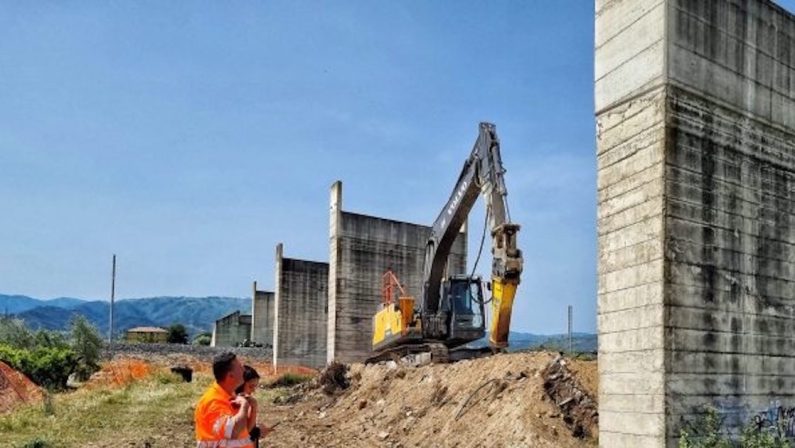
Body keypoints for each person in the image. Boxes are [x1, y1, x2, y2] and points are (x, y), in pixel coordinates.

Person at [194, 352, 255, 447]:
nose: (244, 369)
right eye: (239, 367)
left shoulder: (230, 396)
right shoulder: (213, 402)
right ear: (230, 376)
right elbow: (234, 431)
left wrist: (253, 407)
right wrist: (244, 406)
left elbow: (244, 428)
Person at [235, 365, 271, 447]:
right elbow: (246, 432)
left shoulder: (246, 401)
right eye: (251, 386)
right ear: (240, 384)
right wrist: (258, 431)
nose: (253, 390)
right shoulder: (235, 404)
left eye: (255, 386)